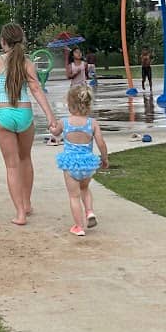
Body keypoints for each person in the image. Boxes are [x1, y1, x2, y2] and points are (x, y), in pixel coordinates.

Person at [0, 23, 60, 226]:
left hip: (4, 115)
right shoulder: (27, 63)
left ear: (3, 41)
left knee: (12, 166)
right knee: (25, 159)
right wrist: (50, 117)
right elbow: (36, 89)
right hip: (25, 113)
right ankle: (27, 204)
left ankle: (20, 214)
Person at [55, 85, 109, 235]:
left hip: (70, 164)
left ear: (69, 104)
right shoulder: (92, 123)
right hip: (88, 164)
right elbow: (101, 143)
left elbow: (55, 132)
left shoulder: (64, 122)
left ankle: (78, 227)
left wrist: (52, 127)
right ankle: (90, 211)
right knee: (85, 189)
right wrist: (104, 159)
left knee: (74, 196)